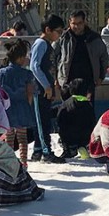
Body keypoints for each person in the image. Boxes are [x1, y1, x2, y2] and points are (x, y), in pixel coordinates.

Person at [30, 15, 66, 163]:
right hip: (39, 90)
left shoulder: (47, 45)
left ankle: (38, 150)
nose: (59, 35)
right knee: (42, 122)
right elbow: (34, 66)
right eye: (57, 31)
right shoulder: (41, 44)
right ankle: (46, 151)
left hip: (46, 90)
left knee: (45, 120)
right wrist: (45, 85)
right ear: (47, 30)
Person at [0, 39, 36, 166]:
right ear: (19, 58)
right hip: (22, 106)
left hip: (7, 108)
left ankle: (9, 160)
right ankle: (24, 161)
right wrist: (28, 104)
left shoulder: (1, 72)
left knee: (9, 136)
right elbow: (29, 92)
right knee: (23, 137)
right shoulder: (27, 74)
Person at [55, 10, 109, 102]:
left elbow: (104, 58)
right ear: (69, 22)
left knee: (86, 111)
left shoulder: (94, 38)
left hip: (88, 82)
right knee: (68, 111)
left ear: (84, 22)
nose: (76, 26)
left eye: (79, 23)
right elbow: (54, 57)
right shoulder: (63, 38)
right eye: (74, 23)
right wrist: (56, 78)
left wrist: (101, 76)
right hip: (67, 81)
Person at [54, 78, 97, 158]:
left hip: (69, 135)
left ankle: (68, 150)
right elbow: (93, 122)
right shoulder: (88, 105)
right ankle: (83, 147)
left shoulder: (66, 104)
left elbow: (59, 118)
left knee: (63, 129)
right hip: (85, 135)